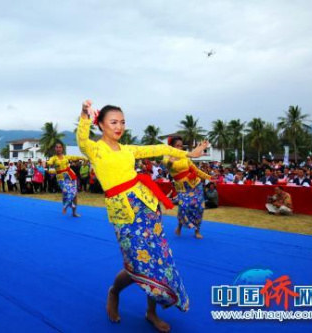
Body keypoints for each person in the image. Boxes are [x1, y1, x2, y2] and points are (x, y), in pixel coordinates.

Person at [77, 100, 208, 332]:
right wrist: (84, 115)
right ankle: (114, 291)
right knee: (136, 262)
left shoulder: (128, 149)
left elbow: (161, 149)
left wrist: (190, 153)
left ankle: (151, 312)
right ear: (101, 125)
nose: (119, 126)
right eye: (113, 122)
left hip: (146, 207)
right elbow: (81, 139)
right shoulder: (95, 149)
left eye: (123, 122)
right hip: (123, 213)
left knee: (157, 260)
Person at [164, 136, 211, 239]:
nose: (180, 148)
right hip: (182, 187)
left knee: (199, 208)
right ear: (171, 146)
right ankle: (180, 227)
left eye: (181, 146)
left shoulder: (185, 156)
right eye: (177, 146)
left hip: (196, 185)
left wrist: (209, 177)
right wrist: (171, 160)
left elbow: (196, 170)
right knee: (183, 207)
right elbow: (168, 166)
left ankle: (197, 230)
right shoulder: (167, 157)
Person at [46, 142, 87, 217]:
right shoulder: (53, 158)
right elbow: (49, 162)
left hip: (70, 176)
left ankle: (74, 212)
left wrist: (83, 158)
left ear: (62, 148)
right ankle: (65, 206)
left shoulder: (66, 157)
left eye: (60, 147)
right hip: (61, 178)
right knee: (66, 192)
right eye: (57, 147)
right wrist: (46, 163)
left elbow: (75, 157)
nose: (58, 148)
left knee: (74, 194)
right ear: (55, 149)